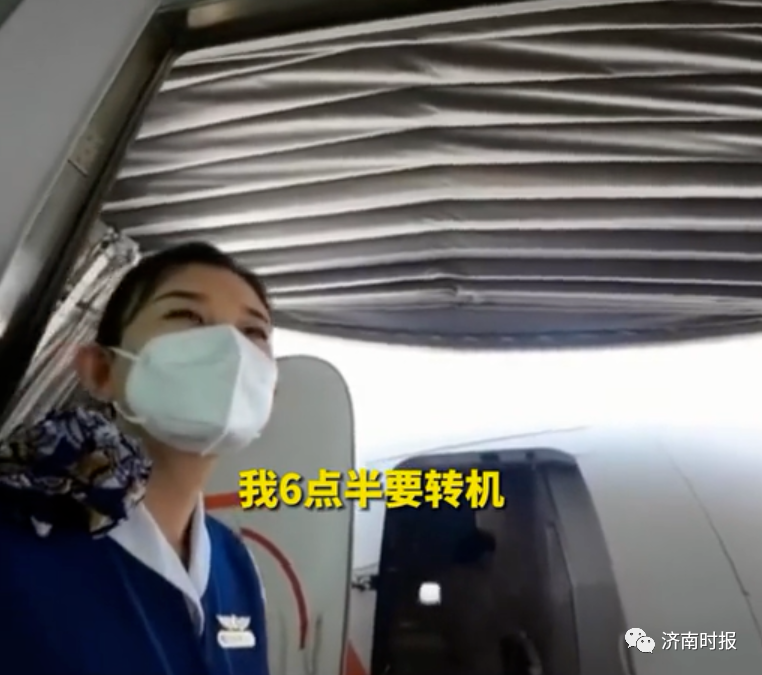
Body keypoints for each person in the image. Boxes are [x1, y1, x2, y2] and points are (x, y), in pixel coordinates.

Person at [0, 242, 277, 675]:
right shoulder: (18, 537)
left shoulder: (236, 564)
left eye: (254, 332)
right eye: (187, 316)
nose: (229, 350)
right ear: (101, 370)